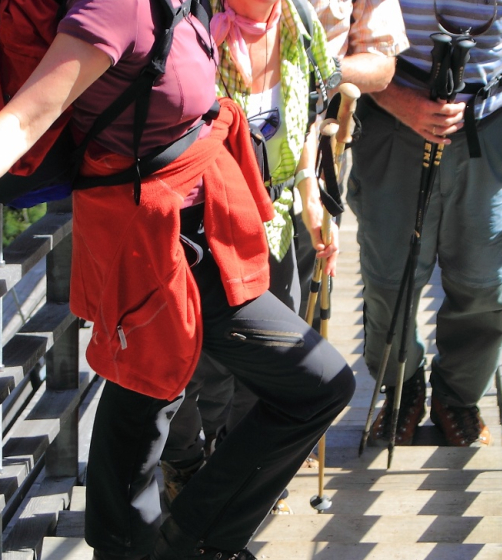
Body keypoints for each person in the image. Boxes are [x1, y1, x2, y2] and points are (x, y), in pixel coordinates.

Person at [0, 0, 355, 557]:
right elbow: (28, 113)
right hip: (159, 234)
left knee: (146, 391)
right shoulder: (117, 6)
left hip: (191, 218)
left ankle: (149, 542)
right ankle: (190, 543)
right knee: (308, 385)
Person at [351, 0, 502, 447]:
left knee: (483, 279)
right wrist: (399, 100)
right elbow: (343, 40)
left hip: (489, 125)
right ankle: (402, 389)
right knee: (389, 278)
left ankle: (458, 399)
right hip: (393, 123)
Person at [158, 0, 342, 510]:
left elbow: (309, 114)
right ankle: (186, 466)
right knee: (196, 359)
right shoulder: (193, 26)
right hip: (203, 217)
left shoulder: (301, 24)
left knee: (269, 357)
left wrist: (309, 195)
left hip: (274, 218)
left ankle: (241, 463)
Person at [294, 0, 408, 314]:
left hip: (319, 158)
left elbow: (381, 65)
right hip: (228, 157)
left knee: (306, 303)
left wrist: (313, 68)